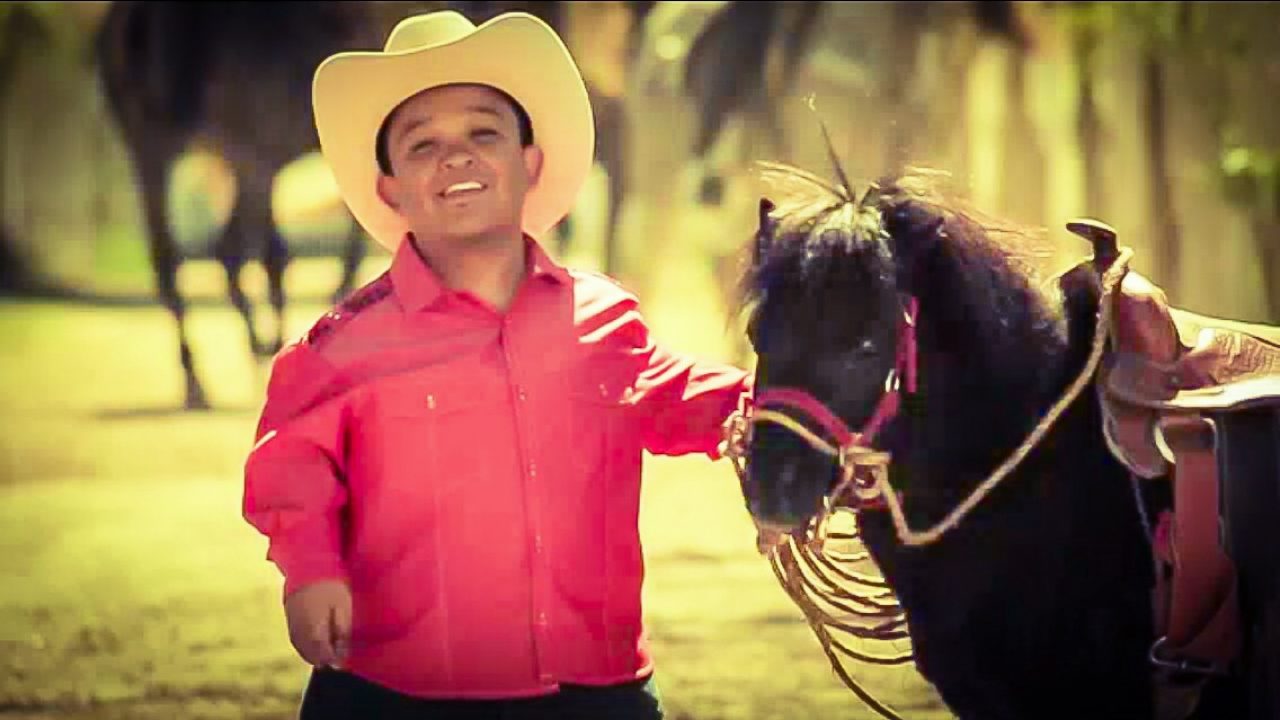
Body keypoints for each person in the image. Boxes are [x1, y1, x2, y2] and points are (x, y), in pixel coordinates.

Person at [240, 10, 753, 720]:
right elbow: (290, 469)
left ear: (529, 163)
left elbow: (687, 395)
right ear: (390, 188)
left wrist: (793, 409)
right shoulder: (341, 350)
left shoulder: (606, 321)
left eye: (484, 133)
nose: (457, 157)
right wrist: (311, 569)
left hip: (596, 691)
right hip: (396, 693)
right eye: (423, 145)